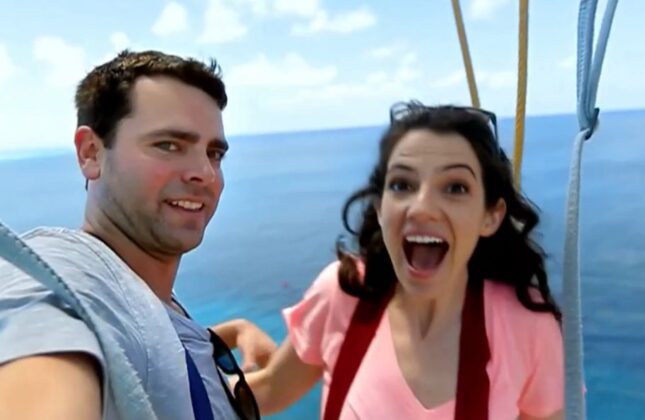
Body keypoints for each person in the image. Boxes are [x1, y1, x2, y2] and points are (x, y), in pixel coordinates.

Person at [0, 50, 276, 420]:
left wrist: (229, 332)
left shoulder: (150, 300)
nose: (205, 173)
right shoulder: (61, 282)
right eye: (168, 145)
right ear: (91, 153)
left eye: (214, 153)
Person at [246, 101, 565, 419]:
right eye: (402, 185)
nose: (422, 207)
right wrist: (215, 347)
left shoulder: (528, 326)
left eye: (455, 188)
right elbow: (269, 389)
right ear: (380, 207)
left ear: (491, 216)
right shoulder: (345, 291)